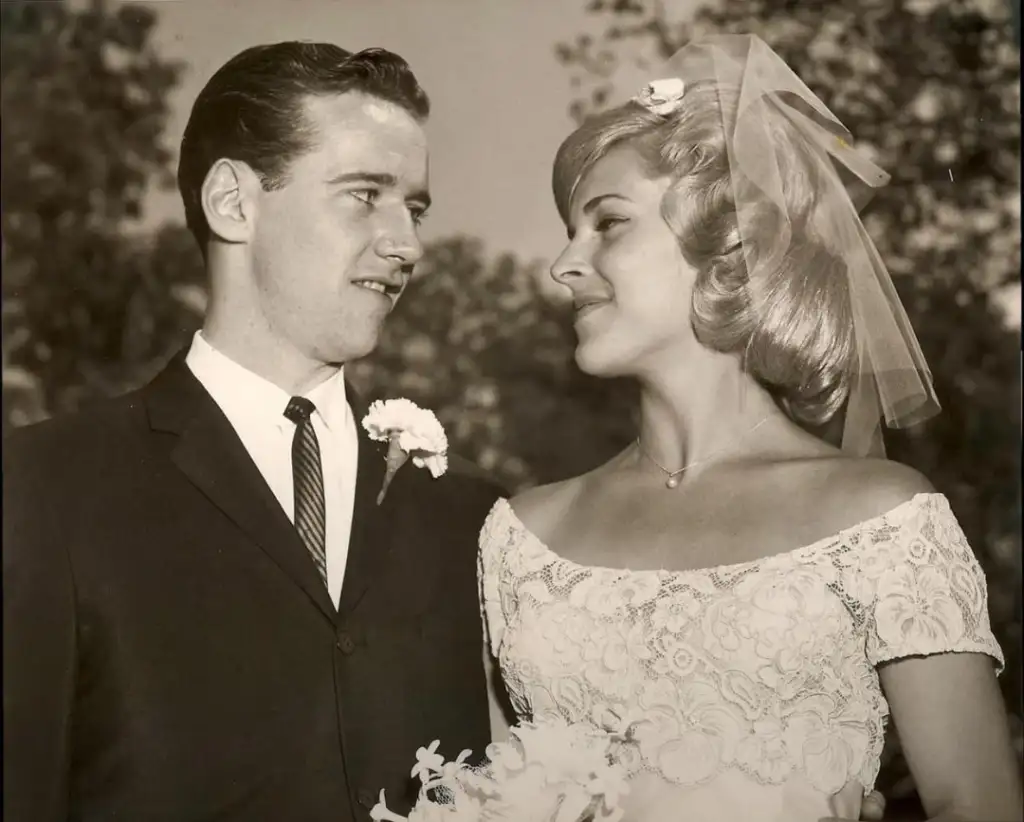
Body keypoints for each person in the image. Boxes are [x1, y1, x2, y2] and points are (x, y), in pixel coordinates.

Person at [478, 34, 1023, 822]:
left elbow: (978, 807)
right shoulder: (522, 536)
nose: (564, 263)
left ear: (728, 246)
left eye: (607, 224)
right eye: (570, 231)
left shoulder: (880, 519)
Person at [3, 42, 502, 822]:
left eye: (416, 207)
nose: (408, 244)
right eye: (365, 194)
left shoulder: (478, 517)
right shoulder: (43, 487)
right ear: (232, 202)